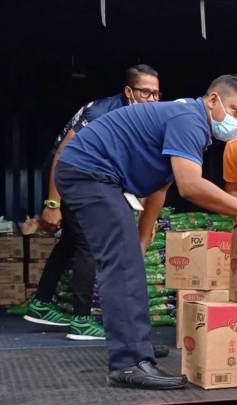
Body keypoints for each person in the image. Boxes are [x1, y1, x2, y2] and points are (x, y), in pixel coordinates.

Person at [55, 75, 237, 390]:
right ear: (213, 99)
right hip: (89, 172)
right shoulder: (189, 119)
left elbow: (161, 184)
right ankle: (128, 363)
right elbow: (189, 186)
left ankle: (138, 347)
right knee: (121, 264)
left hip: (99, 175)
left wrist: (143, 234)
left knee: (130, 259)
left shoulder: (193, 127)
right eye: (235, 111)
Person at [25, 65, 161, 344]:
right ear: (128, 91)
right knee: (88, 242)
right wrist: (53, 203)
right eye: (146, 92)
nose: (152, 99)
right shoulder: (102, 113)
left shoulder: (141, 117)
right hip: (73, 176)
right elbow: (64, 153)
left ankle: (41, 303)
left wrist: (146, 214)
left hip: (91, 178)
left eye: (157, 94)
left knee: (72, 242)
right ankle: (82, 320)